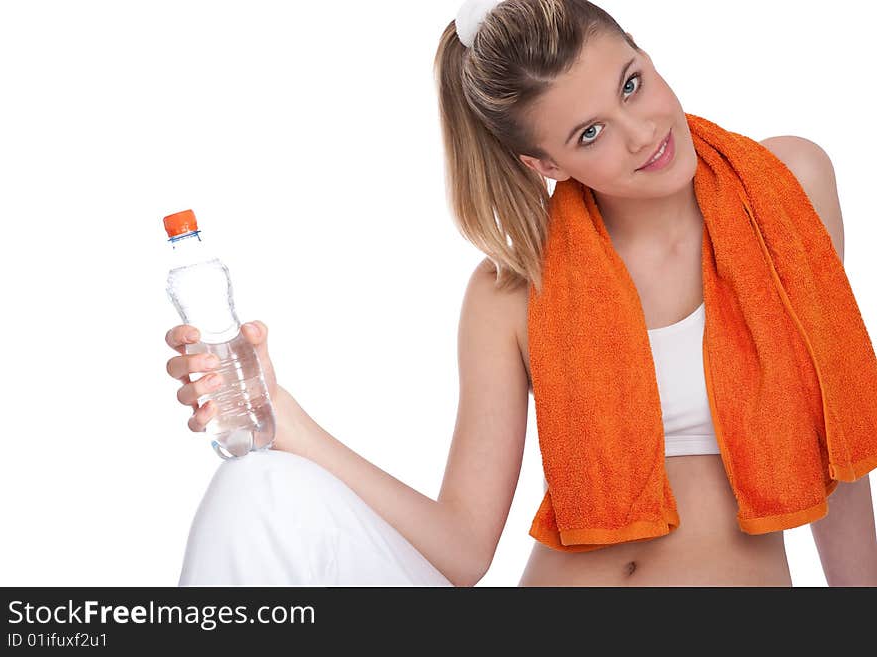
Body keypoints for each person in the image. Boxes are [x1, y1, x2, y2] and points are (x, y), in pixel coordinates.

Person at [165, 0, 877, 586]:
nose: (642, 134)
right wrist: (286, 424)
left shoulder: (785, 187)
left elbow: (837, 439)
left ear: (643, 50)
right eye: (590, 132)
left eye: (631, 83)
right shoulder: (513, 288)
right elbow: (463, 547)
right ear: (545, 163)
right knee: (255, 493)